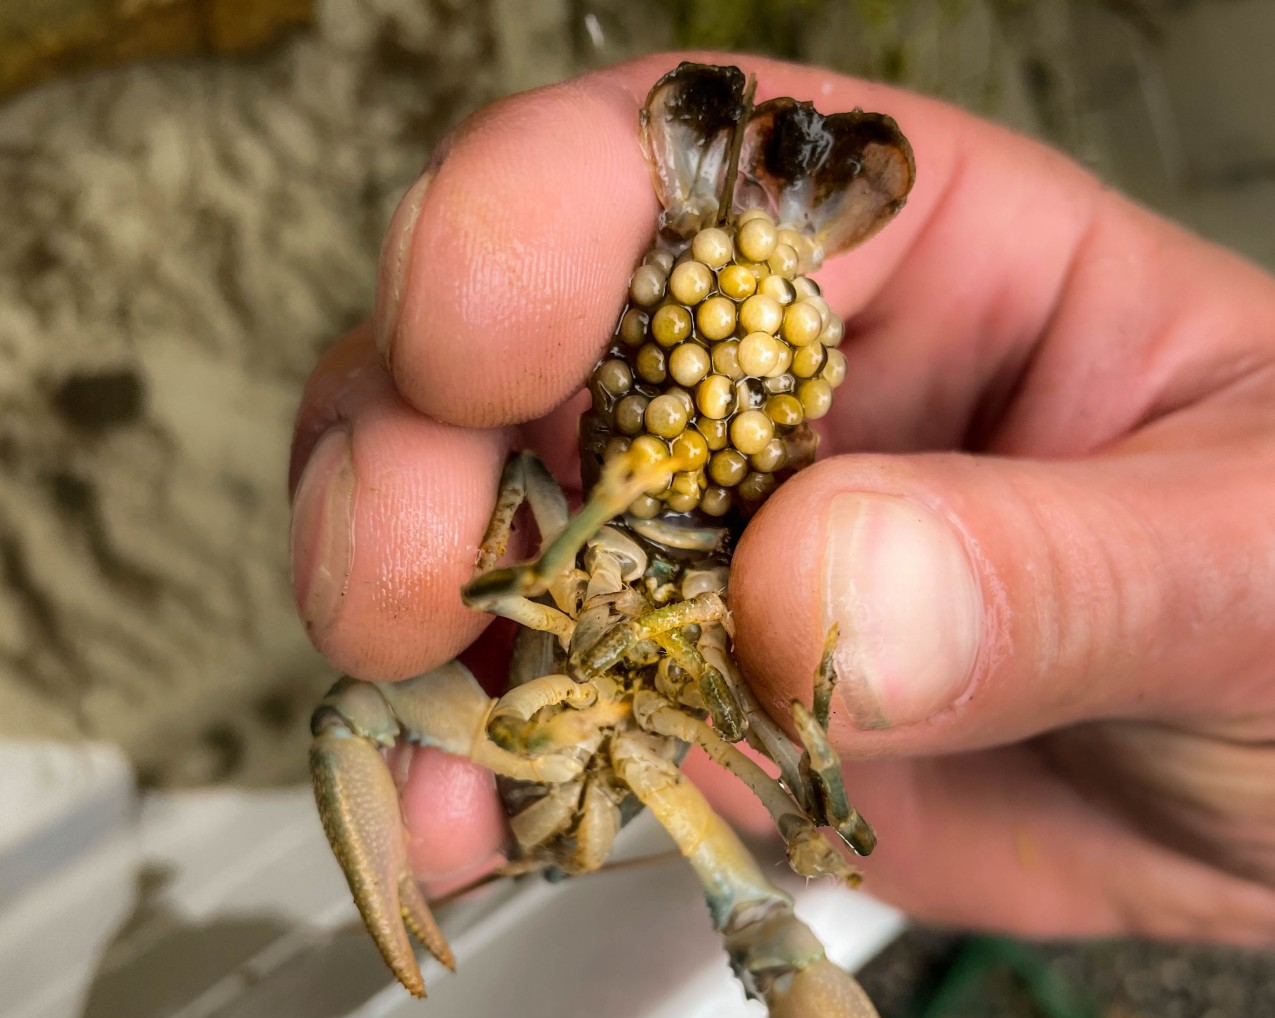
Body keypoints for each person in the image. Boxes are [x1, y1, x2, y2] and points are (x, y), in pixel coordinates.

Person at [288, 53, 1275, 946]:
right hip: (696, 550)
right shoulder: (698, 720)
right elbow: (808, 791)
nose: (572, 841)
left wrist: (567, 541)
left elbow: (510, 531)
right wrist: (821, 795)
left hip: (648, 529)